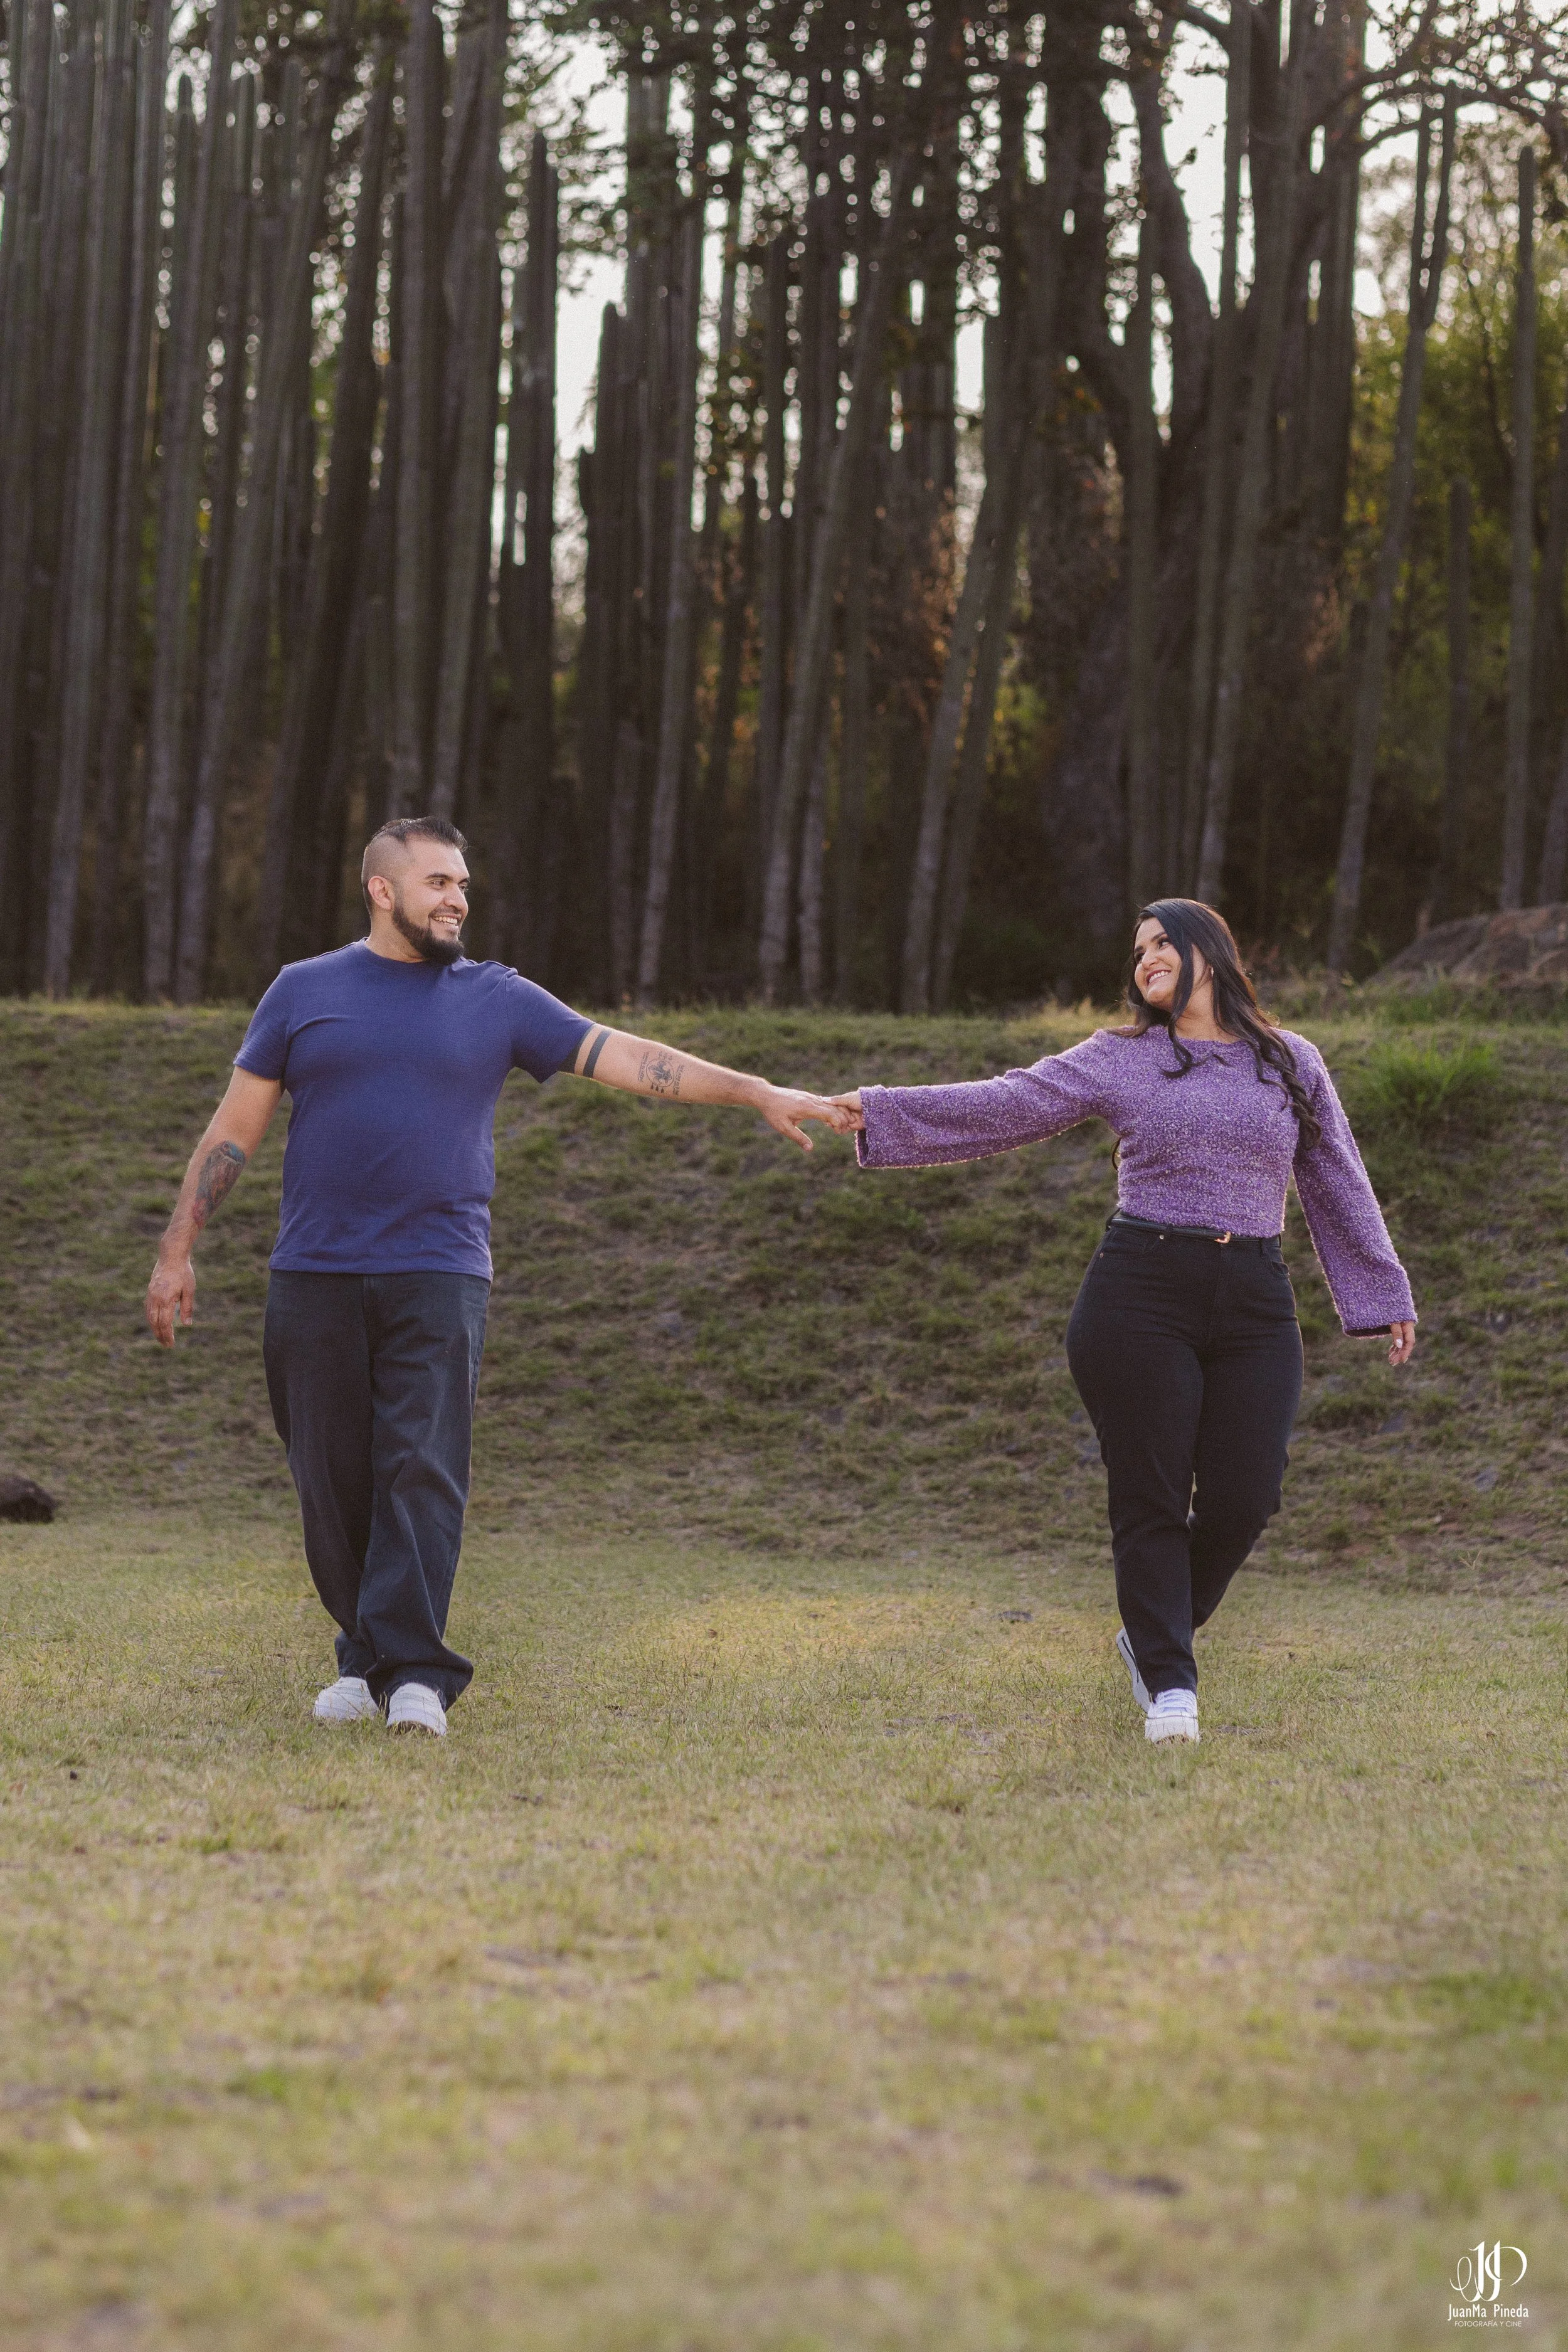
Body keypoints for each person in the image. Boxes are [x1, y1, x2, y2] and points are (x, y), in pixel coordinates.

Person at [146, 816, 852, 1737]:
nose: (458, 899)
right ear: (383, 890)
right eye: (439, 882)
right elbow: (233, 1130)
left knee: (422, 1471)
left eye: (465, 885)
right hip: (313, 1272)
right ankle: (364, 1658)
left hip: (440, 1271)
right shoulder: (301, 991)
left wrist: (755, 1089)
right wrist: (175, 1249)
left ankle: (416, 1678)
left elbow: (633, 1058)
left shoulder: (499, 998)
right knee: (329, 1478)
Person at [832, 898, 1416, 1747]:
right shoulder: (1122, 1058)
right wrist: (880, 1110)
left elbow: (1337, 1176)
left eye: (1160, 942)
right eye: (1137, 948)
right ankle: (1172, 1684)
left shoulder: (1291, 1062)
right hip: (1139, 1292)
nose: (1144, 957)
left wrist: (1383, 1290)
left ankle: (1151, 1630)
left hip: (1255, 1295)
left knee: (1250, 1492)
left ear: (1207, 950)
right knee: (1149, 1491)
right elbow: (1007, 1103)